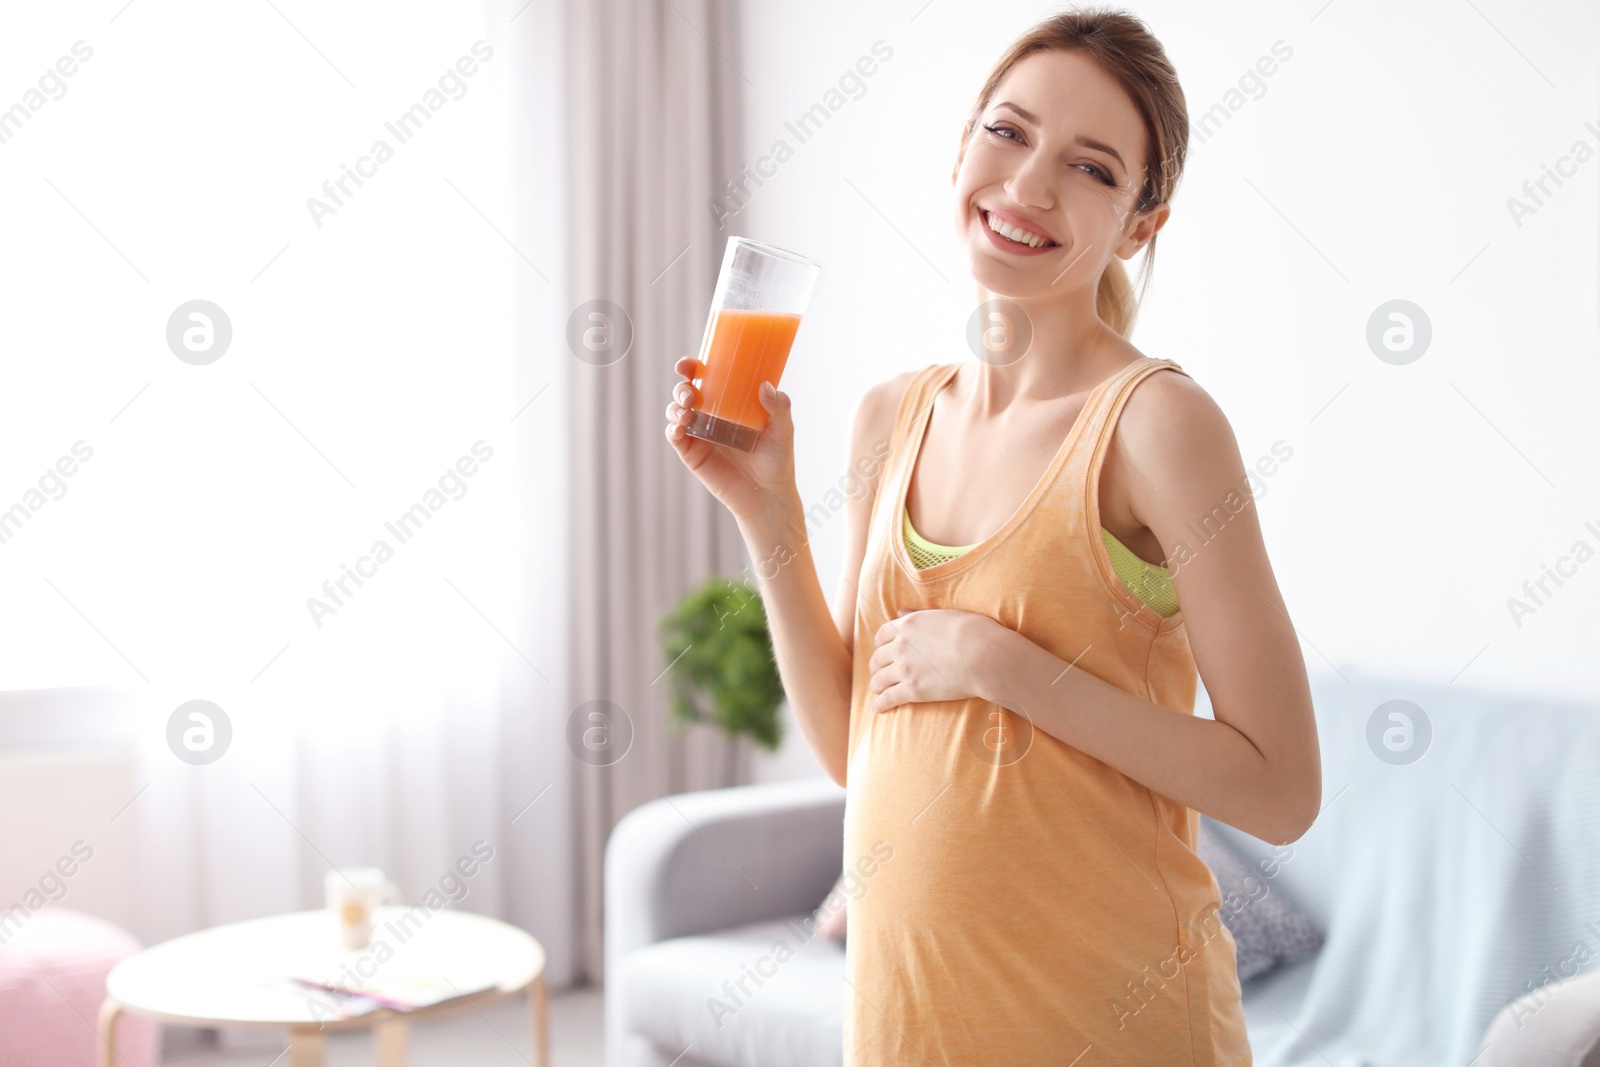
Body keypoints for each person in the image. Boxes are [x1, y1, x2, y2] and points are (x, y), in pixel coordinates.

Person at [665, 7, 1320, 1063]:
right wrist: (765, 509)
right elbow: (854, 744)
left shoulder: (1157, 425)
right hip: (908, 1028)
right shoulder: (891, 415)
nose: (1026, 187)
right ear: (962, 143)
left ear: (1141, 224)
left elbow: (1281, 787)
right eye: (1007, 133)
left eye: (1091, 168)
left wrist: (1009, 668)